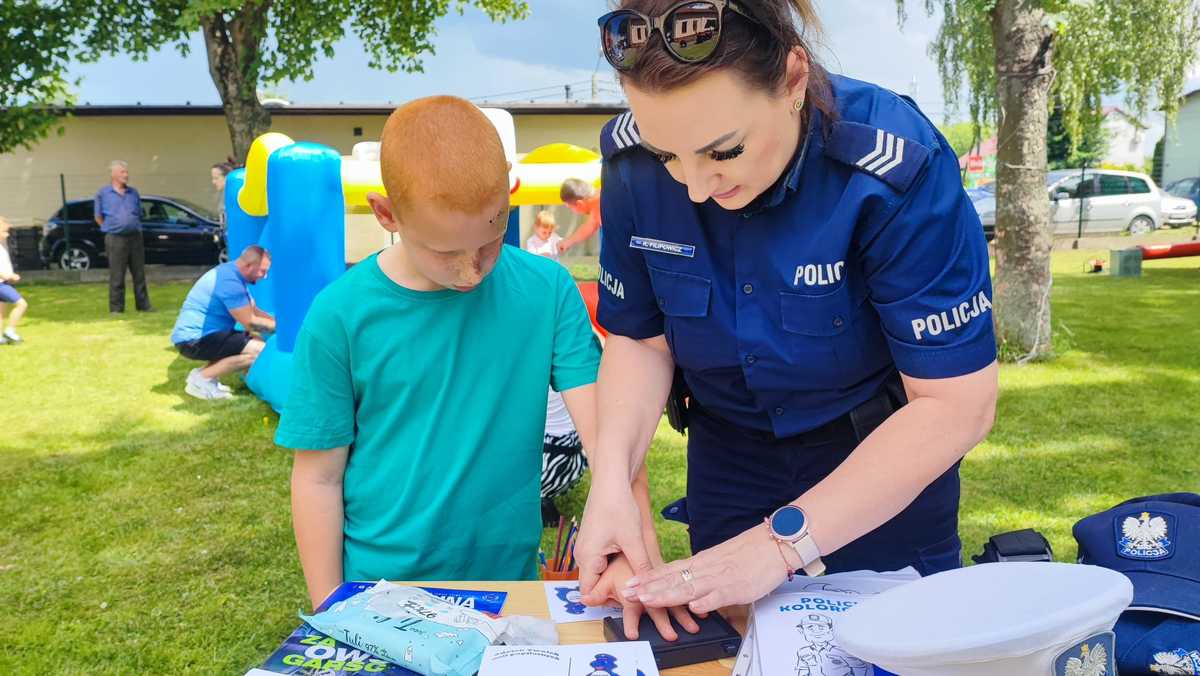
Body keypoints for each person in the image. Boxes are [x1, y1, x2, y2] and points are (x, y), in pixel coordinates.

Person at [575, 0, 999, 637]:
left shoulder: (892, 164)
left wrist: (778, 547)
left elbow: (956, 404)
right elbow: (640, 339)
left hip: (881, 462)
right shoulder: (631, 160)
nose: (695, 187)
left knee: (897, 649)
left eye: (724, 151)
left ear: (794, 79)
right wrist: (612, 484)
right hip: (729, 453)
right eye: (669, 156)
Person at [276, 98, 678, 627]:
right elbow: (318, 480)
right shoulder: (339, 315)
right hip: (380, 592)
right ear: (386, 214)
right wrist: (331, 608)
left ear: (509, 191)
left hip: (509, 586)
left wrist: (632, 549)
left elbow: (609, 439)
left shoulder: (547, 289)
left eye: (489, 243)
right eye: (446, 252)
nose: (471, 272)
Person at [170, 245, 274, 400]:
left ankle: (206, 375)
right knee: (259, 350)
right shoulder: (230, 282)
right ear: (248, 266)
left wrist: (279, 322)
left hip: (202, 336)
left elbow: (254, 310)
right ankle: (201, 380)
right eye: (262, 271)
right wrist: (282, 330)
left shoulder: (231, 273)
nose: (264, 276)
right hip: (194, 340)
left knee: (254, 339)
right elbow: (250, 323)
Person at [94, 160, 153, 314]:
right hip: (115, 238)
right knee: (117, 275)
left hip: (135, 237)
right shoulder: (103, 193)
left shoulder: (133, 193)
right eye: (122, 172)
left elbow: (139, 213)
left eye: (126, 172)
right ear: (113, 174)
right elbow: (98, 217)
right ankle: (116, 308)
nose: (126, 175)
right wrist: (110, 228)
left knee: (139, 274)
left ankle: (144, 306)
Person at [0, 217, 29, 344]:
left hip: (3, 282)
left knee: (0, 312)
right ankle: (10, 331)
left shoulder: (2, 245)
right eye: (4, 230)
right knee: (22, 304)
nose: (7, 232)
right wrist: (8, 276)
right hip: (1, 284)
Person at [557, 178, 602, 254]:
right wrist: (568, 242)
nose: (573, 211)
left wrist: (567, 243)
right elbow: (590, 226)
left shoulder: (599, 207)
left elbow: (590, 227)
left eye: (570, 208)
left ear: (579, 204)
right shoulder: (603, 192)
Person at [211, 161, 235, 227]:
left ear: (227, 177)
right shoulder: (224, 194)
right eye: (213, 178)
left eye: (216, 178)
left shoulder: (234, 197)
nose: (213, 182)